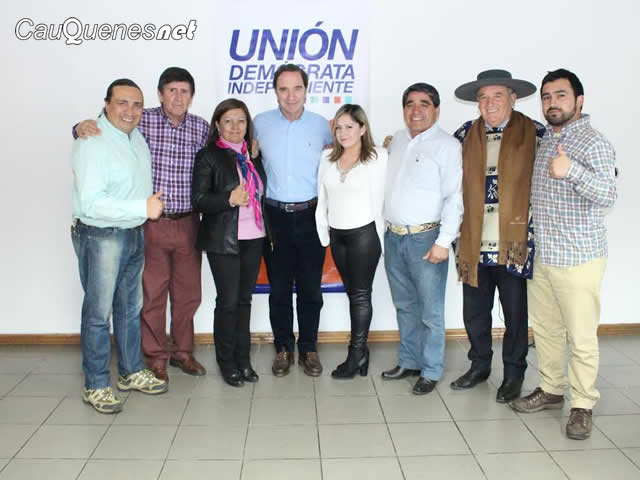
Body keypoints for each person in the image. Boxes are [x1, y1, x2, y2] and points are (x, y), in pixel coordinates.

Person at [74, 67, 209, 382]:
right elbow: (103, 127)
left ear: (192, 96)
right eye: (172, 91)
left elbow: (223, 152)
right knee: (152, 294)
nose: (178, 97)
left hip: (189, 222)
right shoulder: (140, 120)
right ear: (160, 94)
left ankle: (183, 352)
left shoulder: (201, 128)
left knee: (188, 294)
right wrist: (79, 127)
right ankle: (155, 357)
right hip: (151, 222)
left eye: (185, 92)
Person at [511, 69, 617, 440]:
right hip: (545, 256)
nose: (552, 103)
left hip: (579, 258)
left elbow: (607, 195)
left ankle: (583, 405)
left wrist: (571, 170)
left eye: (560, 95)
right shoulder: (545, 141)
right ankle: (552, 389)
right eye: (546, 96)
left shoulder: (593, 142)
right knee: (547, 331)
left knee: (581, 337)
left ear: (579, 101)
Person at [71, 78, 168, 414]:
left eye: (137, 104)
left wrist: (140, 214)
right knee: (98, 314)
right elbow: (91, 202)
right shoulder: (92, 141)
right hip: (101, 236)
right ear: (106, 104)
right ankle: (96, 385)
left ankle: (130, 371)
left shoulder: (135, 136)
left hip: (133, 232)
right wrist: (143, 207)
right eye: (122, 103)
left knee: (129, 308)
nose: (130, 110)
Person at [450, 70, 545, 403]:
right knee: (475, 313)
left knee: (515, 314)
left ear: (513, 99)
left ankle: (514, 374)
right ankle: (479, 366)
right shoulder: (464, 135)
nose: (489, 104)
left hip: (515, 244)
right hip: (473, 243)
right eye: (483, 98)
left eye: (498, 96)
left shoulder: (535, 133)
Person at [381, 83, 463, 395]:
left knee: (431, 312)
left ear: (436, 110)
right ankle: (409, 361)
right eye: (410, 104)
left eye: (424, 104)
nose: (416, 110)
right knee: (404, 305)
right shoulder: (398, 140)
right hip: (394, 237)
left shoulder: (447, 146)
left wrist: (444, 241)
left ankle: (430, 369)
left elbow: (454, 197)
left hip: (427, 239)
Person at [253, 64, 333, 377]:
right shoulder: (259, 124)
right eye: (283, 89)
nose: (290, 96)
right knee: (279, 290)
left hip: (311, 215)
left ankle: (309, 347)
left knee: (311, 289)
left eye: (297, 88)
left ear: (306, 90)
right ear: (275, 92)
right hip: (274, 218)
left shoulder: (321, 127)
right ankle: (283, 348)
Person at [192, 99, 267, 387]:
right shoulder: (208, 156)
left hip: (254, 237)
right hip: (224, 240)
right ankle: (227, 363)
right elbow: (199, 200)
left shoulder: (252, 155)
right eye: (228, 121)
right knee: (228, 302)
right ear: (217, 125)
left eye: (241, 121)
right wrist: (229, 199)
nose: (235, 127)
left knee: (244, 301)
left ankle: (244, 360)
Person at [315, 104, 387, 379]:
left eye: (350, 127)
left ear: (363, 128)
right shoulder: (327, 157)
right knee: (352, 293)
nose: (343, 133)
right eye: (339, 128)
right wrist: (324, 232)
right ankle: (362, 352)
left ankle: (355, 354)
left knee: (360, 295)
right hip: (338, 235)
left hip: (364, 235)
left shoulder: (379, 157)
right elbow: (322, 197)